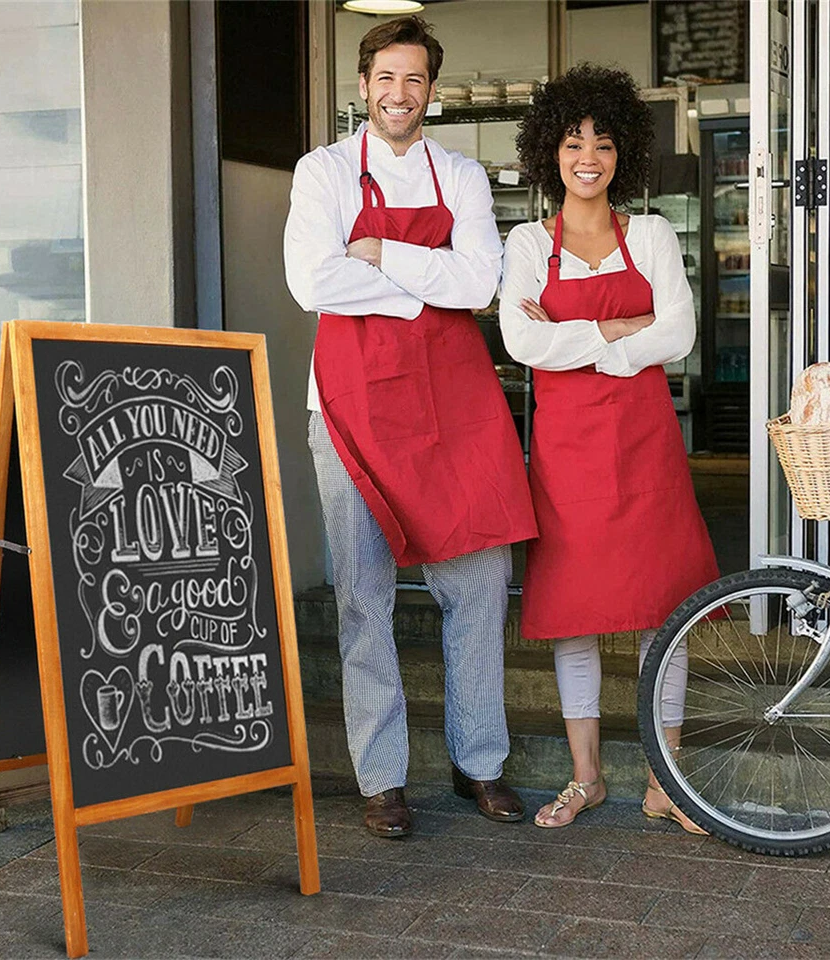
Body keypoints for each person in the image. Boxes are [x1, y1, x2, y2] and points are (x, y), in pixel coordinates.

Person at [285, 16, 537, 839]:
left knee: (478, 585)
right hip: (351, 407)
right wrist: (421, 288)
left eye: (415, 80)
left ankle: (481, 766)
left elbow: (477, 284)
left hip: (453, 407)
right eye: (386, 78)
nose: (400, 93)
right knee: (363, 599)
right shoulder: (321, 172)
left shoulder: (459, 173)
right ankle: (383, 779)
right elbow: (309, 283)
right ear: (364, 86)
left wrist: (381, 257)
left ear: (431, 91)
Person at [498, 65, 719, 832]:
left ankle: (667, 782)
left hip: (645, 445)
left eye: (601, 139)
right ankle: (586, 778)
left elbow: (680, 332)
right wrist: (620, 331)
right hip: (567, 454)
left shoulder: (651, 232)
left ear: (622, 150)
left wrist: (579, 341)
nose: (586, 154)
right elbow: (520, 339)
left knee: (666, 607)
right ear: (547, 151)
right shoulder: (528, 242)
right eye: (571, 139)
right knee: (575, 613)